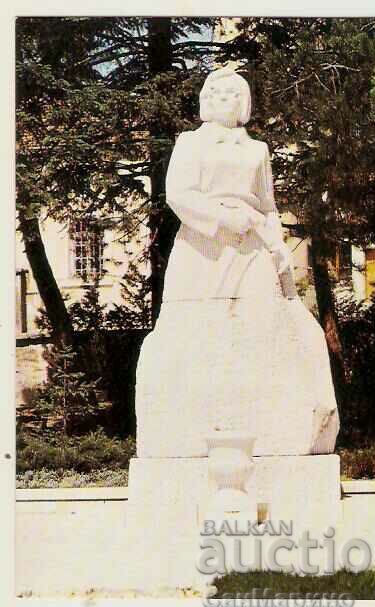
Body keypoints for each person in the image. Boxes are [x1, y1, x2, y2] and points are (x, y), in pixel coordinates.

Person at [135, 67, 339, 458]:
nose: (225, 97)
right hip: (203, 245)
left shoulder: (256, 150)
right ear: (207, 99)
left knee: (263, 327)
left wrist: (277, 244)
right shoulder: (190, 143)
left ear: (244, 101)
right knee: (193, 330)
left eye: (234, 92)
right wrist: (222, 220)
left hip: (252, 246)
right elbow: (178, 193)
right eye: (218, 91)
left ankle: (270, 424)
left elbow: (268, 205)